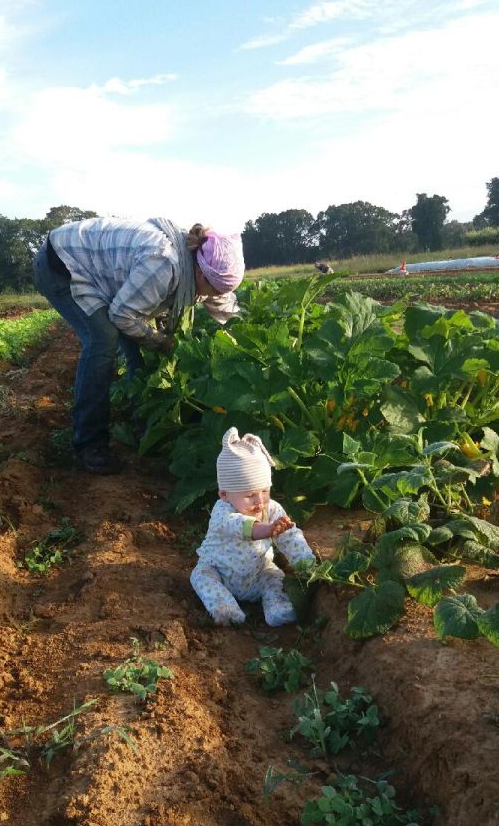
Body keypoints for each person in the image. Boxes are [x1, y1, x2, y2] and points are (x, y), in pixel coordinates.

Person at [33, 217, 245, 474]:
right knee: (103, 339)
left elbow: (225, 306)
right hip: (64, 264)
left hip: (104, 274)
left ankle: (146, 426)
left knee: (137, 348)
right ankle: (90, 442)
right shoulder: (163, 264)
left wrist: (242, 339)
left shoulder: (202, 262)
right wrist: (161, 342)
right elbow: (122, 316)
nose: (217, 296)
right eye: (216, 291)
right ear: (201, 273)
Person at [190, 427, 315, 626]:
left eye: (264, 491)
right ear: (225, 495)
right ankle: (226, 609)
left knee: (274, 577)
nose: (259, 501)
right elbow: (241, 526)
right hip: (219, 572)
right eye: (249, 495)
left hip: (258, 574)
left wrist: (305, 563)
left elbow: (289, 535)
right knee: (200, 576)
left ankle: (277, 609)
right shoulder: (222, 511)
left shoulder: (272, 508)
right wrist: (268, 530)